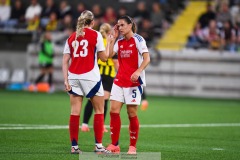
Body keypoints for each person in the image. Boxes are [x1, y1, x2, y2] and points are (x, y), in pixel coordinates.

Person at [62, 10, 110, 154]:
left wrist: (65, 79)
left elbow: (65, 61)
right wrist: (111, 42)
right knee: (99, 110)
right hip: (90, 76)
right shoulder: (96, 35)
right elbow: (104, 58)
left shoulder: (71, 37)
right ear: (92, 22)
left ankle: (74, 147)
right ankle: (98, 146)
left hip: (73, 76)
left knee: (74, 112)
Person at [105, 15, 150, 154]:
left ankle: (132, 146)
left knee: (131, 113)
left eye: (123, 25)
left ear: (130, 25)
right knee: (113, 111)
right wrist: (110, 40)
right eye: (118, 25)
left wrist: (138, 71)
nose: (120, 28)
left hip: (133, 82)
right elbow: (108, 55)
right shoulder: (119, 41)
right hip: (119, 81)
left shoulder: (138, 39)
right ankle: (114, 145)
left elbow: (147, 58)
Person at [81, 23, 119, 133]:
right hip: (108, 76)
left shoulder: (96, 42)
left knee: (91, 99)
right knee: (104, 101)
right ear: (108, 33)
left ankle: (84, 124)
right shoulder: (110, 43)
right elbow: (115, 61)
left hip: (95, 74)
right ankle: (101, 125)